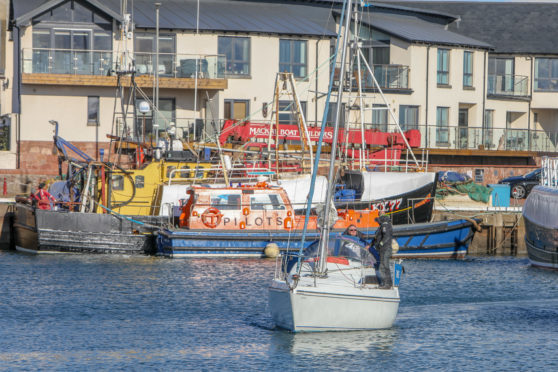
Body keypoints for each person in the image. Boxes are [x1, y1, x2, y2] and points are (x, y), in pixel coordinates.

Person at [373, 211, 393, 289]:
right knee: (383, 265)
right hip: (382, 249)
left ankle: (387, 284)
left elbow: (387, 236)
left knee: (384, 266)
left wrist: (381, 243)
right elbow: (377, 237)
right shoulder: (382, 226)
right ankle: (385, 283)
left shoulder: (385, 224)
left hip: (385, 248)